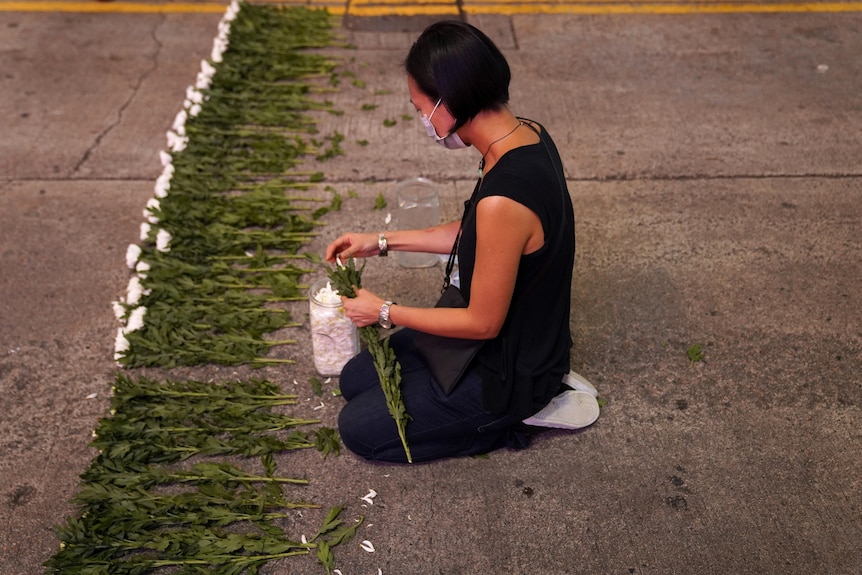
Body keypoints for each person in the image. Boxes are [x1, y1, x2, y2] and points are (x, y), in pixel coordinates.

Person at [325, 20, 588, 463]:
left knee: (359, 431)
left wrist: (383, 311)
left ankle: (521, 417)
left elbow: (483, 323)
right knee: (355, 380)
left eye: (420, 107)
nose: (422, 120)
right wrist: (381, 241)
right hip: (509, 337)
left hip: (506, 370)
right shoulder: (526, 135)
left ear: (448, 102)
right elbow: (477, 235)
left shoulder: (504, 199)